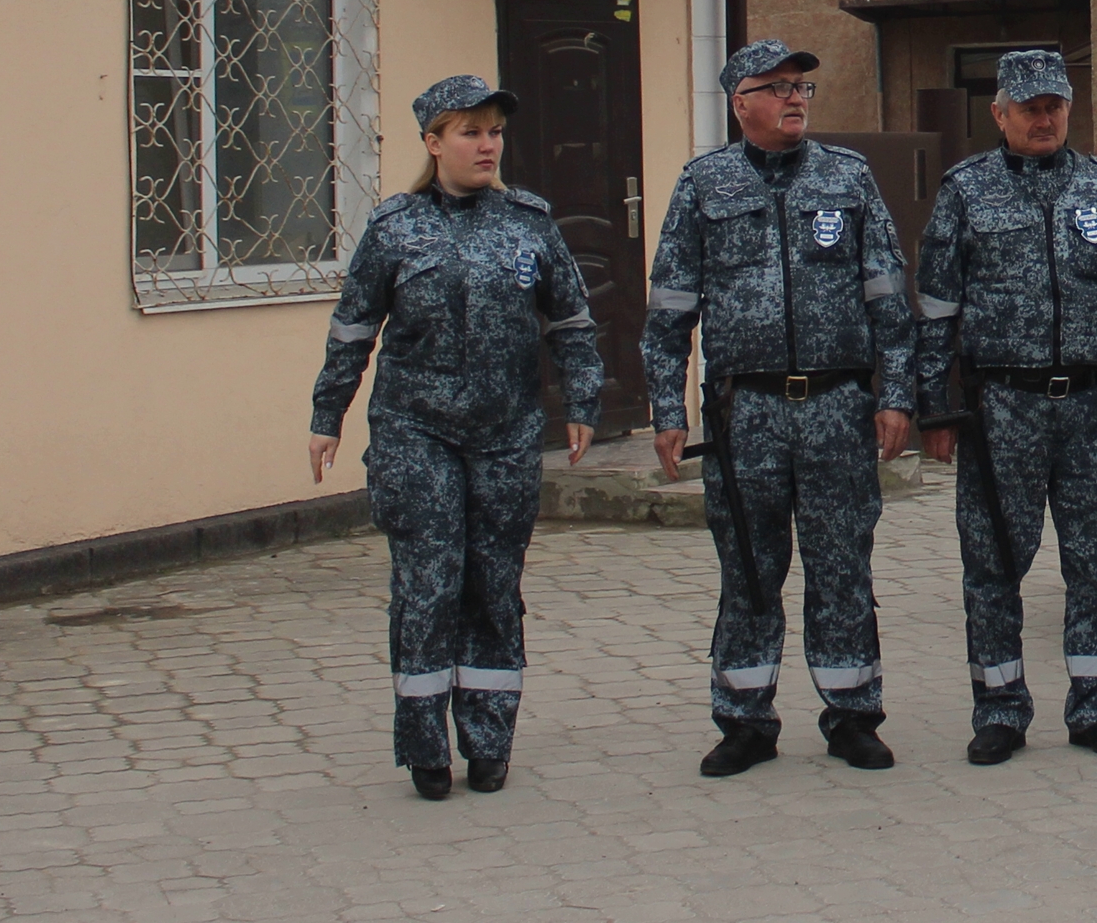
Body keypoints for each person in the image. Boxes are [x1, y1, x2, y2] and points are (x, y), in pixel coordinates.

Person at [308, 75, 602, 802]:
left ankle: (490, 740)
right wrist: (327, 415)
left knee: (493, 587)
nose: (487, 144)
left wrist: (584, 400)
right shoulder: (395, 228)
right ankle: (424, 748)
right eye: (470, 131)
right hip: (416, 429)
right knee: (429, 582)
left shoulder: (530, 223)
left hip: (504, 433)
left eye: (494, 131)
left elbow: (571, 321)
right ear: (433, 142)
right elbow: (352, 331)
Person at [643, 40, 919, 777]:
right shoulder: (704, 185)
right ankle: (744, 721)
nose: (796, 97)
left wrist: (896, 396)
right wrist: (667, 410)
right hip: (747, 415)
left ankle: (853, 713)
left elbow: (890, 299)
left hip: (836, 408)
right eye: (778, 87)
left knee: (841, 569)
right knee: (749, 572)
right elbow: (670, 311)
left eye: (803, 86)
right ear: (741, 103)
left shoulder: (848, 178)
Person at [913, 49, 1097, 763]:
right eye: (1028, 107)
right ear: (999, 113)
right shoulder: (967, 191)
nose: (1044, 118)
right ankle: (999, 710)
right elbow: (936, 311)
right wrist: (934, 411)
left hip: (1092, 408)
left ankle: (1096, 707)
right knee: (995, 563)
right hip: (1001, 410)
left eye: (1054, 105)